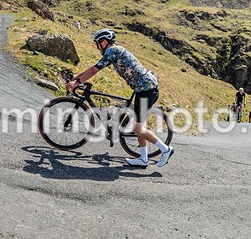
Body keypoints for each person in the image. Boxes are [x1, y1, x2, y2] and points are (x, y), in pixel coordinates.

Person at [66, 28, 174, 168]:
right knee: (139, 126)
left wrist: (77, 82)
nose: (97, 47)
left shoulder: (113, 51)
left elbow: (94, 69)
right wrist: (77, 77)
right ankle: (143, 159)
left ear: (104, 42)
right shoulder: (114, 52)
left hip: (147, 90)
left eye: (97, 43)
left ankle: (166, 149)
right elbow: (95, 67)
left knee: (137, 128)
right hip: (143, 89)